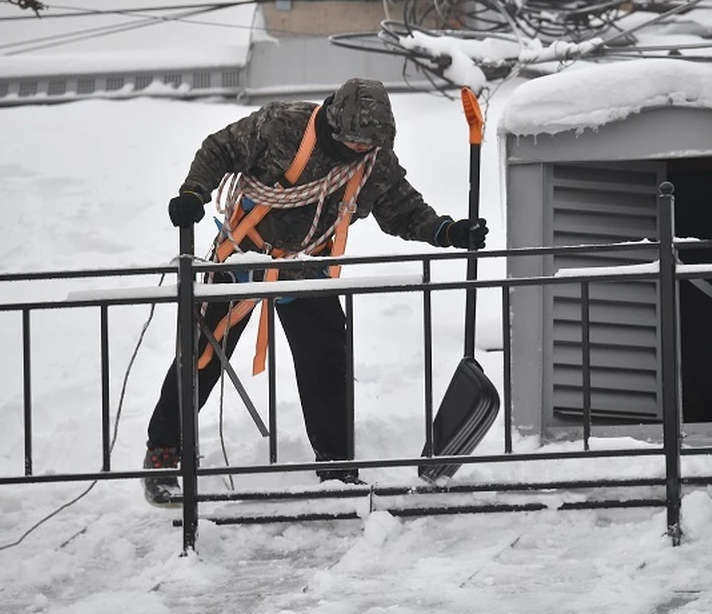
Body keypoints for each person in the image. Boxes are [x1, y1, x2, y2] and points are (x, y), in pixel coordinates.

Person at [143, 77, 488, 505]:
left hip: (304, 265)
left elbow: (402, 208)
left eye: (371, 143)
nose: (363, 149)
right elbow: (220, 149)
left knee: (327, 363)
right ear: (336, 125)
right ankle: (163, 453)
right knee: (202, 355)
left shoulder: (374, 157)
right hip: (244, 254)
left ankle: (337, 468)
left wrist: (446, 231)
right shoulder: (282, 125)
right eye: (356, 141)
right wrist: (194, 192)